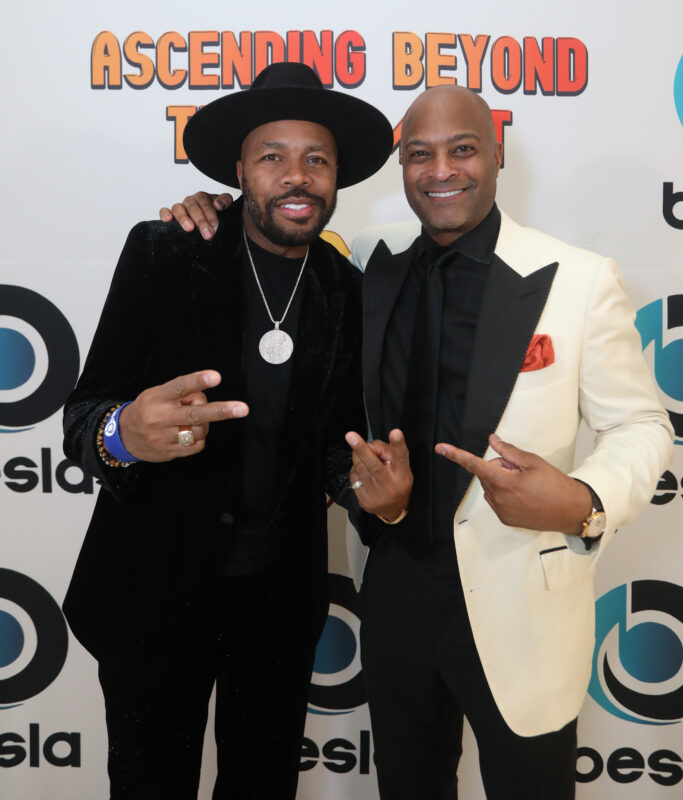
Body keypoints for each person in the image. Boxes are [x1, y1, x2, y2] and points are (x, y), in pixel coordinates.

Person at [163, 85, 673, 799]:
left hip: (524, 602)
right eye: (419, 155)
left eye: (462, 149)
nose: (440, 171)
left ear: (496, 154)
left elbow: (641, 424)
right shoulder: (367, 268)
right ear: (399, 167)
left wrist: (583, 501)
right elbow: (270, 241)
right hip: (396, 592)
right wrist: (211, 209)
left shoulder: (579, 280)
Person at [62, 62, 410, 800]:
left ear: (337, 177)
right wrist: (123, 435)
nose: (296, 176)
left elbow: (334, 449)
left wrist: (366, 489)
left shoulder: (347, 291)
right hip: (153, 592)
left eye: (316, 159)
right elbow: (84, 414)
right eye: (272, 157)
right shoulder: (165, 252)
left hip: (276, 606)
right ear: (240, 173)